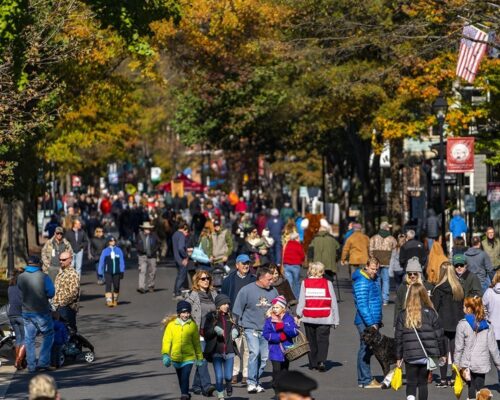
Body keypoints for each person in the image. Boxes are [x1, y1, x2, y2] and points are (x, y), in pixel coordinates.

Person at [395, 283, 446, 400]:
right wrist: (442, 354)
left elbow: (398, 338)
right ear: (424, 295)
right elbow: (439, 335)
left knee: (411, 382)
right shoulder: (432, 313)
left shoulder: (403, 314)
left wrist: (398, 357)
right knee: (423, 383)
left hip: (410, 355)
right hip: (426, 354)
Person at [232, 266, 278, 393]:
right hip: (250, 328)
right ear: (260, 278)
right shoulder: (246, 290)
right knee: (254, 353)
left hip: (267, 330)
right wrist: (236, 327)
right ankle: (251, 382)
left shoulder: (273, 291)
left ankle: (256, 381)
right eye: (269, 279)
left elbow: (279, 307)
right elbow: (237, 310)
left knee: (264, 358)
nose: (271, 282)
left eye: (272, 279)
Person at [296, 261, 339, 372]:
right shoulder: (327, 283)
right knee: (323, 340)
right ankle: (321, 361)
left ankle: (313, 362)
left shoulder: (305, 283)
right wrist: (336, 319)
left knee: (311, 340)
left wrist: (298, 314)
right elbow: (333, 302)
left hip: (309, 316)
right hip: (325, 317)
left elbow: (302, 301)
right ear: (320, 271)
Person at [454, 297, 500, 400]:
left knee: (471, 386)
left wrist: (456, 364)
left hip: (467, 361)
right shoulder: (488, 325)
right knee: (480, 385)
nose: (463, 308)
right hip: (481, 361)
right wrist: (498, 363)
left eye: (464, 307)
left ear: (469, 309)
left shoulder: (462, 325)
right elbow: (493, 347)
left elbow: (459, 347)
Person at [220, 254, 255, 385]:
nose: (246, 266)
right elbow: (223, 297)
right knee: (234, 347)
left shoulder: (253, 279)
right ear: (237, 265)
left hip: (249, 318)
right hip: (233, 318)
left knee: (247, 348)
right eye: (243, 263)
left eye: (248, 263)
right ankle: (234, 373)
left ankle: (246, 374)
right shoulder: (229, 280)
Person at [17, 255, 55, 373]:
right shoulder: (43, 276)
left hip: (26, 312)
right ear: (39, 264)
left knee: (29, 339)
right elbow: (51, 293)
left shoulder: (21, 277)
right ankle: (43, 362)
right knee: (48, 334)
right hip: (41, 311)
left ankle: (31, 365)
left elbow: (19, 290)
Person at [162, 301, 204, 400]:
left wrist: (199, 357)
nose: (186, 315)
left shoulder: (192, 325)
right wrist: (165, 354)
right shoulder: (171, 325)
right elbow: (166, 341)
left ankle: (184, 395)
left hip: (188, 357)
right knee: (181, 378)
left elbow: (196, 343)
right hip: (176, 357)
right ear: (179, 313)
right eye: (184, 312)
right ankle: (184, 393)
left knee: (185, 376)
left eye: (188, 312)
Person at [431, 261, 464, 387]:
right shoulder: (458, 287)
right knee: (456, 353)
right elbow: (461, 306)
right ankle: (455, 378)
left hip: (442, 324)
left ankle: (443, 379)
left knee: (442, 353)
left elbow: (435, 308)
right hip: (457, 323)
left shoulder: (438, 289)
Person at [352, 257, 382, 388]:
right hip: (365, 321)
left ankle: (363, 379)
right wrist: (371, 323)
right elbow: (362, 305)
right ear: (366, 266)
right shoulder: (362, 281)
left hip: (372, 320)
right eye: (372, 269)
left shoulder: (372, 279)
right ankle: (365, 380)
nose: (375, 271)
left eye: (377, 269)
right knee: (365, 349)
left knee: (367, 349)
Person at [186, 271, 217, 397]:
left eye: (208, 278)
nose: (206, 280)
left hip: (211, 333)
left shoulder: (214, 294)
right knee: (202, 359)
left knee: (205, 358)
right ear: (197, 281)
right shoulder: (193, 295)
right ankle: (207, 386)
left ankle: (196, 386)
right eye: (203, 278)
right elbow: (184, 310)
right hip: (198, 333)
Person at [203, 294, 240, 400]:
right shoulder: (211, 316)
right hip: (216, 351)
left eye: (228, 303)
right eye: (224, 304)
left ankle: (229, 384)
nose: (227, 306)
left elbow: (238, 327)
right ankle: (220, 395)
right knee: (219, 377)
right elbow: (206, 333)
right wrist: (214, 330)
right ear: (218, 305)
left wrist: (235, 331)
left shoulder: (232, 316)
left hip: (229, 350)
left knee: (228, 376)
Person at [263, 296, 299, 396]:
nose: (275, 309)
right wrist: (279, 337)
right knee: (276, 370)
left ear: (283, 308)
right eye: (273, 307)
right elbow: (266, 334)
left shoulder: (289, 318)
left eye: (277, 307)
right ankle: (277, 391)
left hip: (287, 348)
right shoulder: (269, 320)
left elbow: (295, 332)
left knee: (284, 370)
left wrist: (283, 326)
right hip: (275, 348)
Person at [393, 257, 434, 327]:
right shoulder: (403, 287)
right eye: (409, 274)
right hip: (406, 321)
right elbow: (398, 307)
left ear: (419, 274)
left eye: (415, 273)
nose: (412, 276)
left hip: (424, 321)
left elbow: (432, 306)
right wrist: (396, 324)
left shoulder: (427, 286)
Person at [369, 221, 397, 306]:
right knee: (386, 280)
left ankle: (377, 298)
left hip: (376, 262)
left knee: (376, 280)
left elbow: (370, 250)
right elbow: (395, 249)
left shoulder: (373, 238)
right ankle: (385, 300)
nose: (389, 228)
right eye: (388, 227)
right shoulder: (392, 239)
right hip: (387, 262)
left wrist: (373, 259)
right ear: (386, 228)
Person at [52, 251, 80, 331]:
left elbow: (73, 293)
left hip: (67, 308)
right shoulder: (61, 272)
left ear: (70, 260)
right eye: (60, 259)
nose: (61, 261)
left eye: (64, 260)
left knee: (70, 331)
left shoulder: (72, 274)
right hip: (58, 307)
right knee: (61, 331)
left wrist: (61, 304)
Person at [308, 219, 340, 284]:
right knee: (329, 281)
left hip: (317, 265)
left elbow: (310, 250)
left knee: (318, 281)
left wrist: (310, 261)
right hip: (330, 264)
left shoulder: (315, 239)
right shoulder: (332, 239)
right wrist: (336, 259)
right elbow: (338, 250)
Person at [482, 270, 500, 383]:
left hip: (494, 330)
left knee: (498, 358)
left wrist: (487, 317)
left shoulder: (489, 292)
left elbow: (482, 307)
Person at [97, 236, 125, 307]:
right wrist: (100, 271)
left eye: (114, 241)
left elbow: (122, 261)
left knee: (116, 286)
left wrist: (122, 270)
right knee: (108, 285)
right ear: (108, 242)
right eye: (111, 241)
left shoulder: (119, 250)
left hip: (117, 271)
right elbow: (101, 262)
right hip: (108, 271)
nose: (113, 242)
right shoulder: (105, 251)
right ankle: (109, 300)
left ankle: (115, 299)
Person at [8, 269, 26, 370]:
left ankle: (18, 360)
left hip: (11, 315)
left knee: (18, 338)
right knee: (25, 338)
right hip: (21, 314)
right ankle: (18, 361)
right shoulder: (22, 287)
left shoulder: (10, 287)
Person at [136, 221, 160, 293]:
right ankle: (141, 287)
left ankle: (151, 285)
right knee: (142, 271)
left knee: (152, 271)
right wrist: (139, 249)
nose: (147, 230)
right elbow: (136, 243)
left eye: (149, 229)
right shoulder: (139, 235)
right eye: (146, 229)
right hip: (142, 256)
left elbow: (159, 243)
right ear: (143, 229)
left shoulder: (154, 235)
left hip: (152, 256)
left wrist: (155, 250)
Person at [282, 231, 305, 298]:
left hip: (286, 265)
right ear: (296, 238)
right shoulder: (298, 245)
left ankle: (289, 297)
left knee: (289, 282)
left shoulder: (287, 244)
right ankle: (296, 296)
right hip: (295, 265)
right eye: (298, 238)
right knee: (296, 282)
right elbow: (302, 255)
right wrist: (302, 260)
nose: (299, 239)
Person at [172, 222, 190, 300]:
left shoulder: (175, 234)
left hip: (176, 258)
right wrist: (185, 256)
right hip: (181, 259)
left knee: (179, 275)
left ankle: (175, 291)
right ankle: (177, 293)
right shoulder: (181, 235)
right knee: (181, 276)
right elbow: (180, 248)